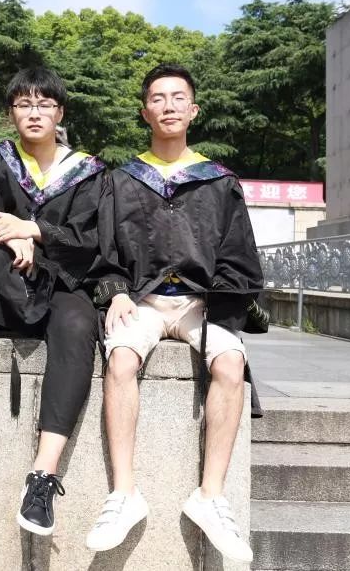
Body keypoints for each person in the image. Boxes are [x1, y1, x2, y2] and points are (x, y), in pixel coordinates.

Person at [86, 63, 262, 562]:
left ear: (193, 110)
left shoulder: (219, 182)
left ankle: (211, 496)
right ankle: (124, 494)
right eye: (158, 98)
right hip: (141, 301)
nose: (168, 106)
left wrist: (218, 302)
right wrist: (117, 292)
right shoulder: (120, 179)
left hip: (200, 303)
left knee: (231, 364)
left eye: (178, 97)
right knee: (121, 359)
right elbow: (103, 250)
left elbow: (238, 256)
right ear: (145, 111)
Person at [0, 67, 105, 537]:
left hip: (60, 280)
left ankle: (43, 476)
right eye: (24, 104)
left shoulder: (87, 171)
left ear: (60, 113)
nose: (34, 113)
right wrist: (8, 232)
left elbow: (92, 238)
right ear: (10, 113)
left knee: (77, 327)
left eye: (44, 104)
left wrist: (33, 229)